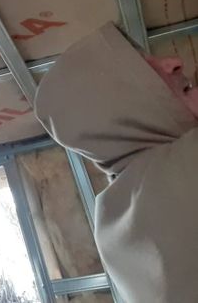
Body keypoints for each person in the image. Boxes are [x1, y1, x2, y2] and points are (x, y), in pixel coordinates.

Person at [34, 23, 198, 303]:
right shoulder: (183, 166)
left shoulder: (111, 217)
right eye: (145, 68)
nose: (174, 63)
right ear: (117, 102)